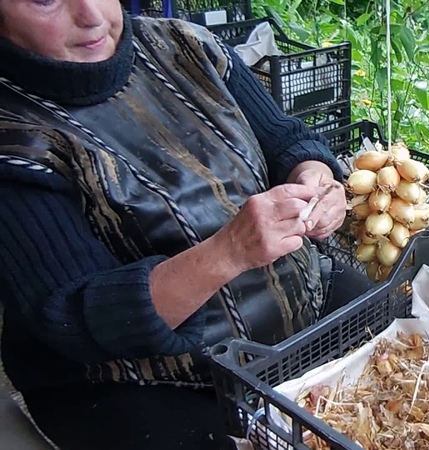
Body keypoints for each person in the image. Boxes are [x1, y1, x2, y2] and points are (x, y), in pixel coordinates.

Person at [0, 0, 373, 448]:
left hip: (299, 303)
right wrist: (227, 253)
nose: (92, 15)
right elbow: (77, 319)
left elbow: (288, 139)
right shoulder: (15, 140)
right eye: (46, 1)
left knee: (409, 358)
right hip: (144, 381)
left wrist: (315, 175)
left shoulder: (188, 47)